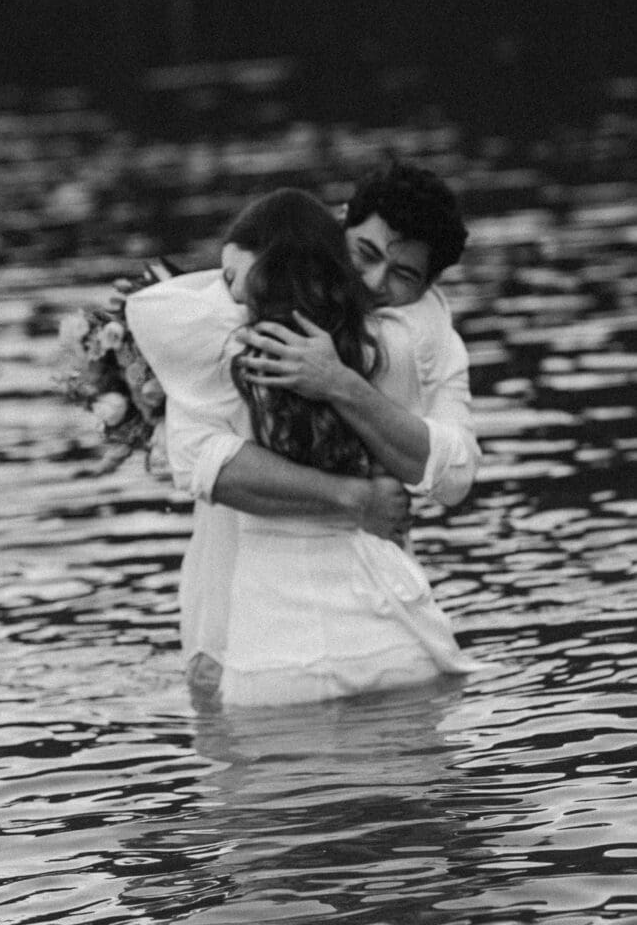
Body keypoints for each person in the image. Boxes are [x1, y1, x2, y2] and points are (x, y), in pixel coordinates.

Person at [127, 177, 482, 705]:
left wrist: (338, 382)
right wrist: (353, 497)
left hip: (370, 599)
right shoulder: (237, 313)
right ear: (339, 224)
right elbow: (200, 461)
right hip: (230, 592)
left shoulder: (423, 341)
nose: (376, 279)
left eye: (404, 274)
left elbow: (454, 477)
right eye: (365, 252)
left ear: (429, 284)